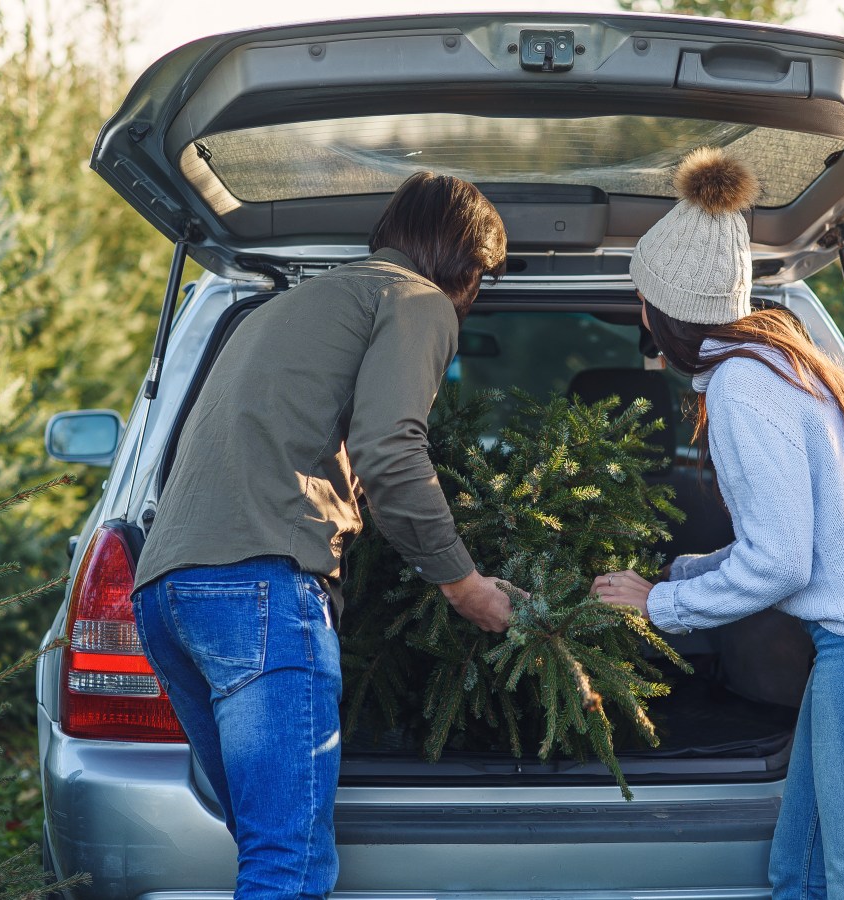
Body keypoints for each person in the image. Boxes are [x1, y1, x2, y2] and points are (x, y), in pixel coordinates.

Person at [131, 171, 520, 899]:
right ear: (463, 264)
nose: (473, 297)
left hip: (166, 591)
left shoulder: (279, 309)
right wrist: (462, 583)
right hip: (259, 590)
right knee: (289, 864)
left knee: (265, 845)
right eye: (480, 281)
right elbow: (393, 448)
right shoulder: (415, 299)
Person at [592, 147, 844, 899]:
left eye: (641, 299)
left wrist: (659, 605)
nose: (638, 315)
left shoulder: (737, 387)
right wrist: (681, 572)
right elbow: (792, 537)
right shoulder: (779, 363)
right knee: (800, 873)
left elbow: (782, 564)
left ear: (667, 310)